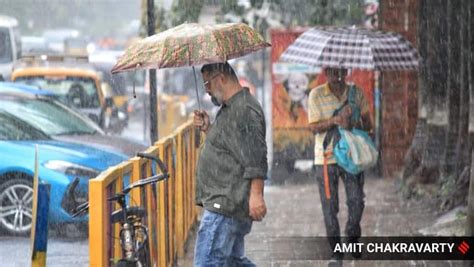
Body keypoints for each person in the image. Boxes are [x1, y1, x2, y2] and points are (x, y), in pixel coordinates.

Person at [193, 62, 268, 266]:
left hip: (225, 203)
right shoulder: (231, 107)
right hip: (225, 201)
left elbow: (256, 155)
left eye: (208, 83)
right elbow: (231, 146)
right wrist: (209, 129)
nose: (206, 89)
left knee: (207, 262)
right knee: (232, 262)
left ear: (222, 78)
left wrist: (256, 195)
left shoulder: (243, 109)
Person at [307, 67, 373, 263]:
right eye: (333, 73)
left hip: (353, 158)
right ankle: (336, 252)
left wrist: (353, 122)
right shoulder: (316, 94)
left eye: (341, 72)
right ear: (325, 72)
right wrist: (335, 120)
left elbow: (369, 125)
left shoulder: (356, 93)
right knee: (330, 208)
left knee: (356, 202)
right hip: (326, 159)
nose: (337, 77)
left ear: (346, 71)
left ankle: (352, 235)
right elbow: (312, 127)